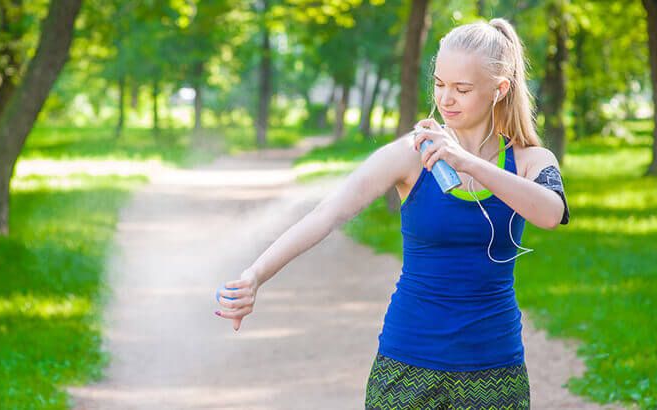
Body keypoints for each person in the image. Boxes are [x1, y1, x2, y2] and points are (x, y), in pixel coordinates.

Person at [215, 17, 570, 409]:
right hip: (407, 364)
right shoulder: (411, 155)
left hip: (495, 368)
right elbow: (326, 214)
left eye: (461, 89)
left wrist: (467, 162)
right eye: (439, 84)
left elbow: (551, 213)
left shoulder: (530, 161)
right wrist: (255, 275)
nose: (445, 99)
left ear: (499, 89)